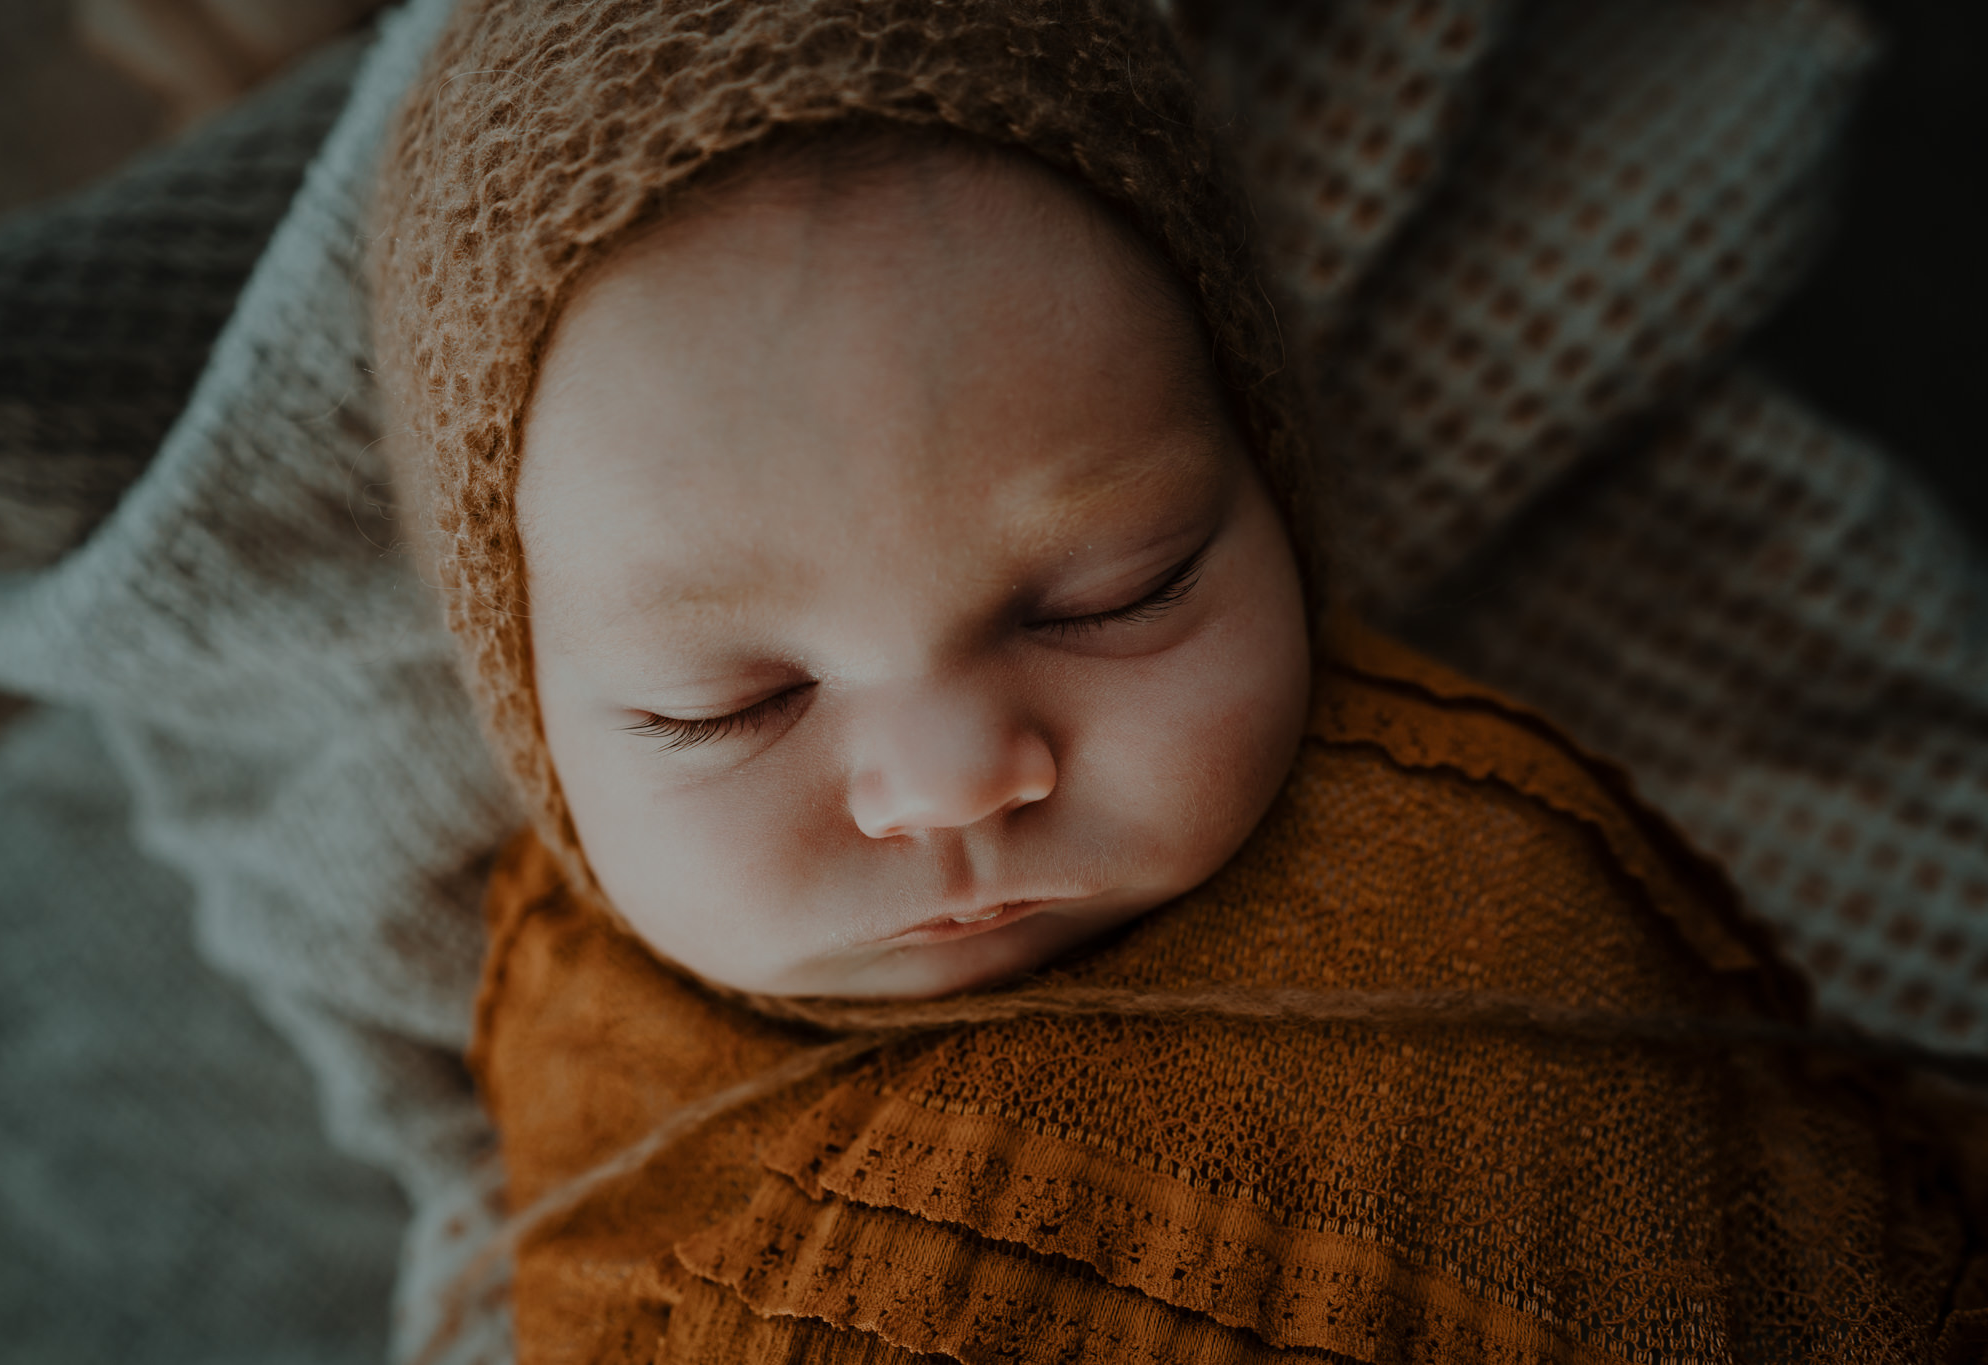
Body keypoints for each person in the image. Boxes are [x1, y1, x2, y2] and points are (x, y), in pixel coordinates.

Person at [366, 1, 1984, 1362]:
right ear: (529, 706)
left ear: (1270, 482)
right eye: (727, 701)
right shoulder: (570, 1061)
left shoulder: (1477, 894)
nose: (950, 779)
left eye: (1107, 596)